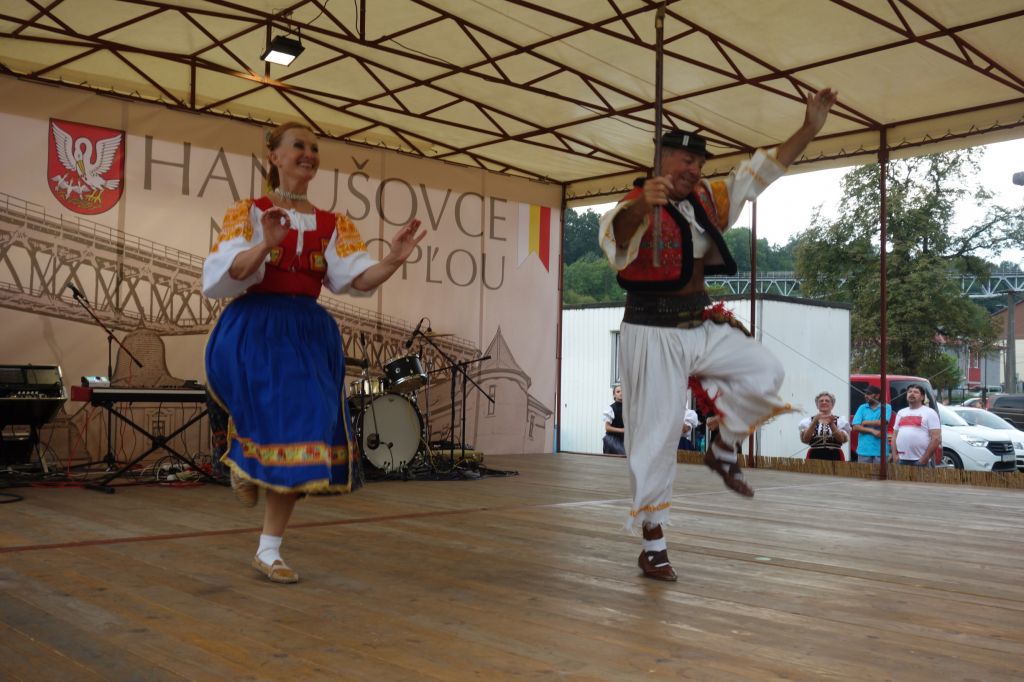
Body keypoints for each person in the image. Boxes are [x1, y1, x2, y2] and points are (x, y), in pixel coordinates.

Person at [599, 88, 838, 581]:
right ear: (662, 159)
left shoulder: (707, 199)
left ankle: (722, 446)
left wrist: (809, 128)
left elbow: (762, 172)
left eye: (700, 164)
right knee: (656, 438)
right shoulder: (635, 202)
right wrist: (644, 206)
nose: (695, 170)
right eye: (687, 161)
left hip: (696, 321)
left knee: (764, 370)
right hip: (651, 330)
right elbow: (617, 237)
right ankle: (653, 543)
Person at [203, 121, 425, 584]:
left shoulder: (333, 224)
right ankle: (245, 459)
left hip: (306, 332)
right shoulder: (249, 212)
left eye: (315, 148)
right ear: (274, 157)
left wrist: (392, 260)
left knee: (307, 429)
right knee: (270, 412)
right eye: (298, 146)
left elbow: (356, 279)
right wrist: (266, 243)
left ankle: (268, 546)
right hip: (256, 327)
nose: (308, 154)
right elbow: (229, 273)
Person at [891, 384, 941, 467]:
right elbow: (894, 436)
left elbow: (936, 438)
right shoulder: (901, 412)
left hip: (920, 461)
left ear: (922, 397)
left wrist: (924, 459)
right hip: (901, 460)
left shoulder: (930, 413)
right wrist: (894, 456)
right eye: (909, 392)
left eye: (916, 392)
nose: (912, 394)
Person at [798, 391, 851, 460]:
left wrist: (831, 424)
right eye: (821, 401)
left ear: (832, 405)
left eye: (827, 401)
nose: (824, 402)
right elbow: (805, 440)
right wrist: (814, 423)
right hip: (814, 455)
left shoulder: (840, 421)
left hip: (835, 455)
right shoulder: (809, 421)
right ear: (817, 405)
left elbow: (841, 440)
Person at [851, 385, 891, 465]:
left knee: (880, 473)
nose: (865, 396)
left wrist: (865, 422)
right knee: (863, 473)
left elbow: (883, 422)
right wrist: (872, 430)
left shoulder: (886, 407)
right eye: (865, 393)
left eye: (869, 394)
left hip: (881, 451)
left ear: (877, 396)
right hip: (864, 450)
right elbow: (855, 427)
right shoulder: (862, 407)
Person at [601, 385, 626, 455]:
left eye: (623, 391)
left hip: (625, 439)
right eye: (618, 392)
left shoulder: (629, 408)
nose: (621, 393)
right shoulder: (610, 409)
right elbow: (607, 428)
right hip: (612, 439)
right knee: (623, 455)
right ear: (614, 395)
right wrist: (622, 430)